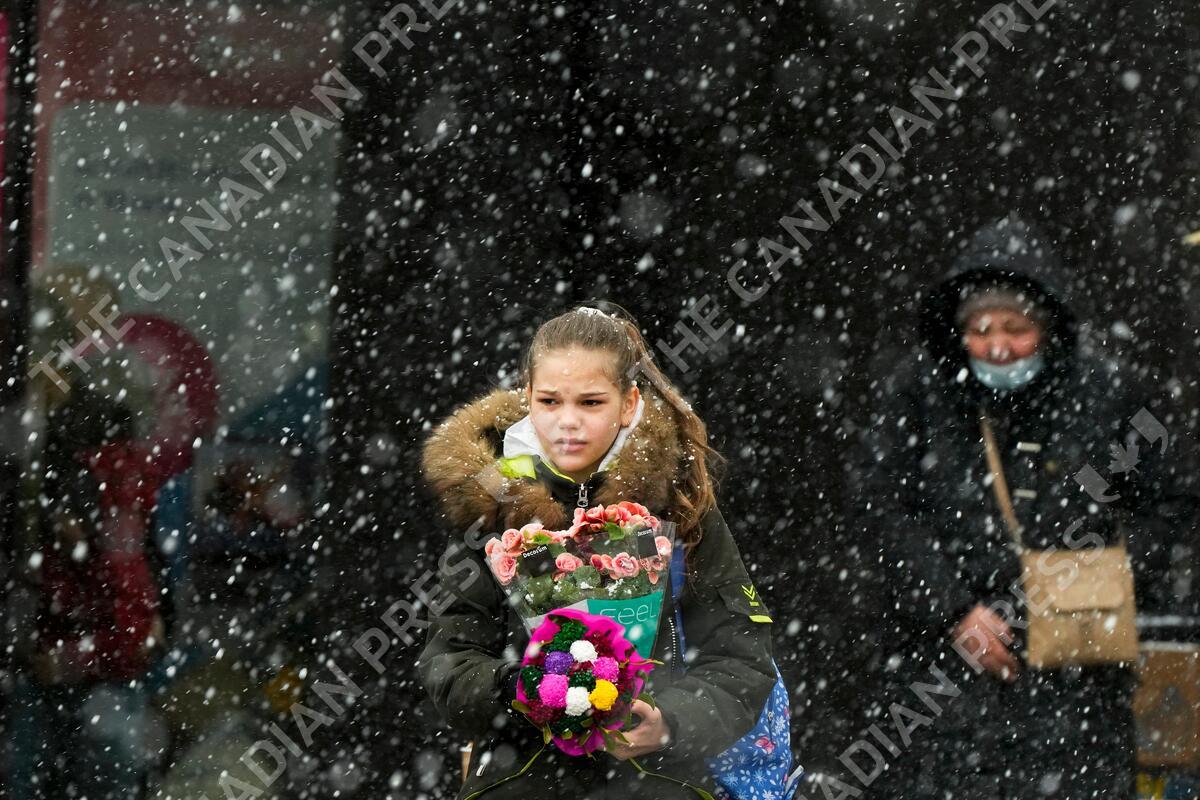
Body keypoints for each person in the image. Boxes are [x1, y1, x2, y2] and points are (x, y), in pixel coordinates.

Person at [850, 216, 1196, 799]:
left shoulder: (1109, 392)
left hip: (1080, 688)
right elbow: (880, 508)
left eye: (1016, 327)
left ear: (1048, 325)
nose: (998, 346)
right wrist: (953, 609)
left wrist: (1098, 581)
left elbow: (1172, 499)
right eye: (980, 328)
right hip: (945, 686)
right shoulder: (916, 394)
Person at [418, 306, 777, 798]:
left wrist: (669, 722)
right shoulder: (489, 500)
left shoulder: (680, 500)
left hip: (658, 783)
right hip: (522, 780)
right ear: (527, 395)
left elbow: (741, 658)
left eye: (590, 402)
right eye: (549, 401)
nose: (567, 422)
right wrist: (522, 689)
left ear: (629, 404)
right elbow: (449, 660)